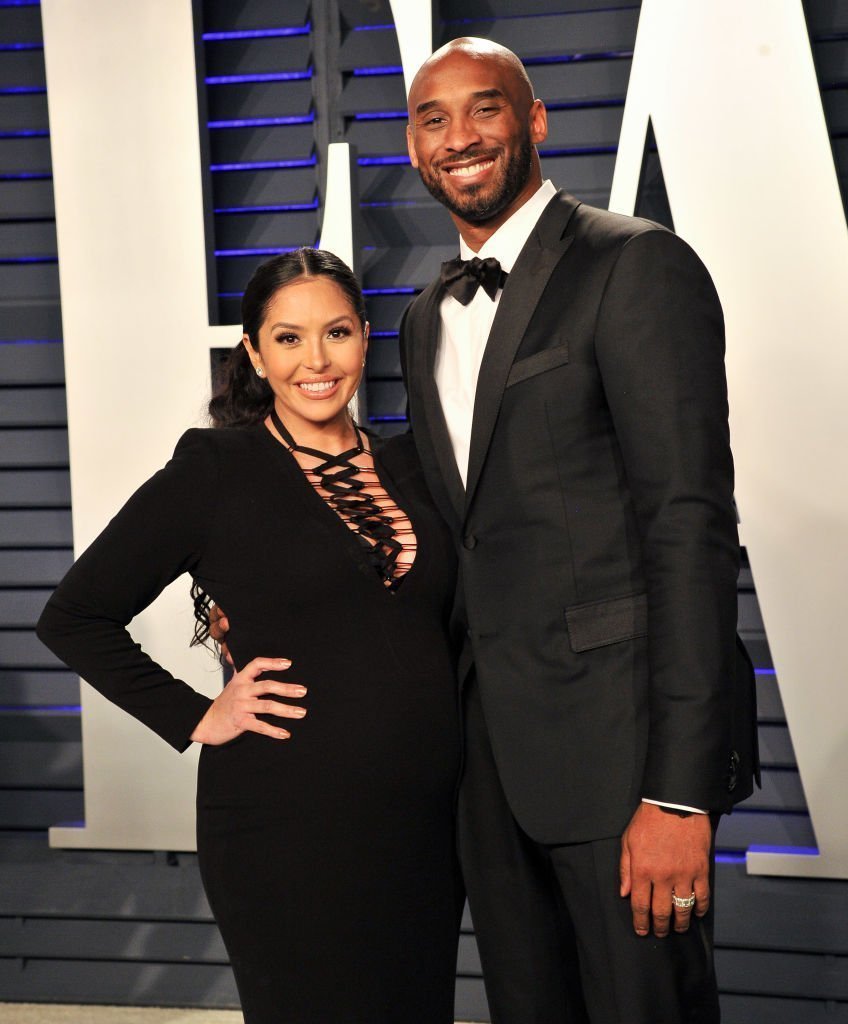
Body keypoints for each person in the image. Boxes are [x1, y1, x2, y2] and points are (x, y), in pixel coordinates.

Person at [397, 37, 758, 1024]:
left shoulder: (631, 263)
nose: (460, 137)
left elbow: (688, 528)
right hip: (491, 774)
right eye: (433, 118)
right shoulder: (421, 321)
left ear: (534, 120)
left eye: (485, 108)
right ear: (411, 144)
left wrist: (678, 796)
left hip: (620, 768)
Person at [36, 248, 463, 1024]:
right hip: (286, 829)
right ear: (255, 353)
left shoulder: (414, 464)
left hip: (424, 830)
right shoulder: (217, 469)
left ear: (365, 338)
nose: (316, 360)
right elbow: (74, 616)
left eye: (335, 332)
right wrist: (197, 714)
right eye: (289, 338)